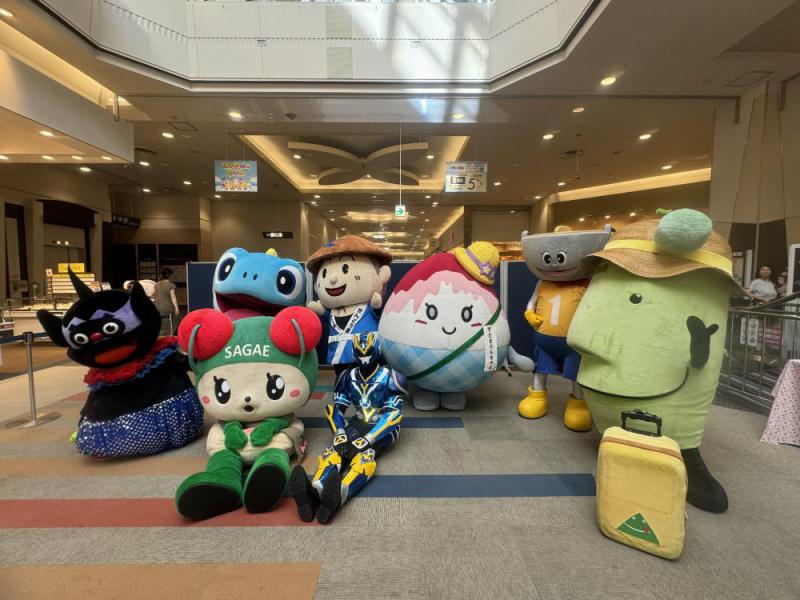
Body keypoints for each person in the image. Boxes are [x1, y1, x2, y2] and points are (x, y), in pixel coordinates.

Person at [155, 268, 180, 335]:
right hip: (168, 308)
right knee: (176, 319)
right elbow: (173, 297)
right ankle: (171, 334)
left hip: (157, 308)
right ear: (170, 275)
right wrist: (176, 308)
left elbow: (153, 295)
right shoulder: (171, 285)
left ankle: (160, 333)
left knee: (161, 323)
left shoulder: (156, 284)